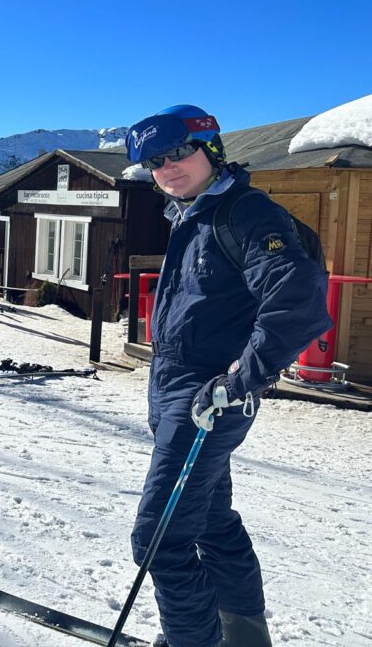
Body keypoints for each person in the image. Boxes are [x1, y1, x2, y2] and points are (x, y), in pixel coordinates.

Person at [124, 105, 332, 647]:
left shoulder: (243, 212)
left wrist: (238, 381)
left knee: (159, 540)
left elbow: (298, 301)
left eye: (177, 153)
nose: (166, 169)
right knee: (212, 522)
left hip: (206, 400)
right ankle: (242, 637)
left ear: (209, 149)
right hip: (179, 390)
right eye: (153, 161)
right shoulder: (193, 213)